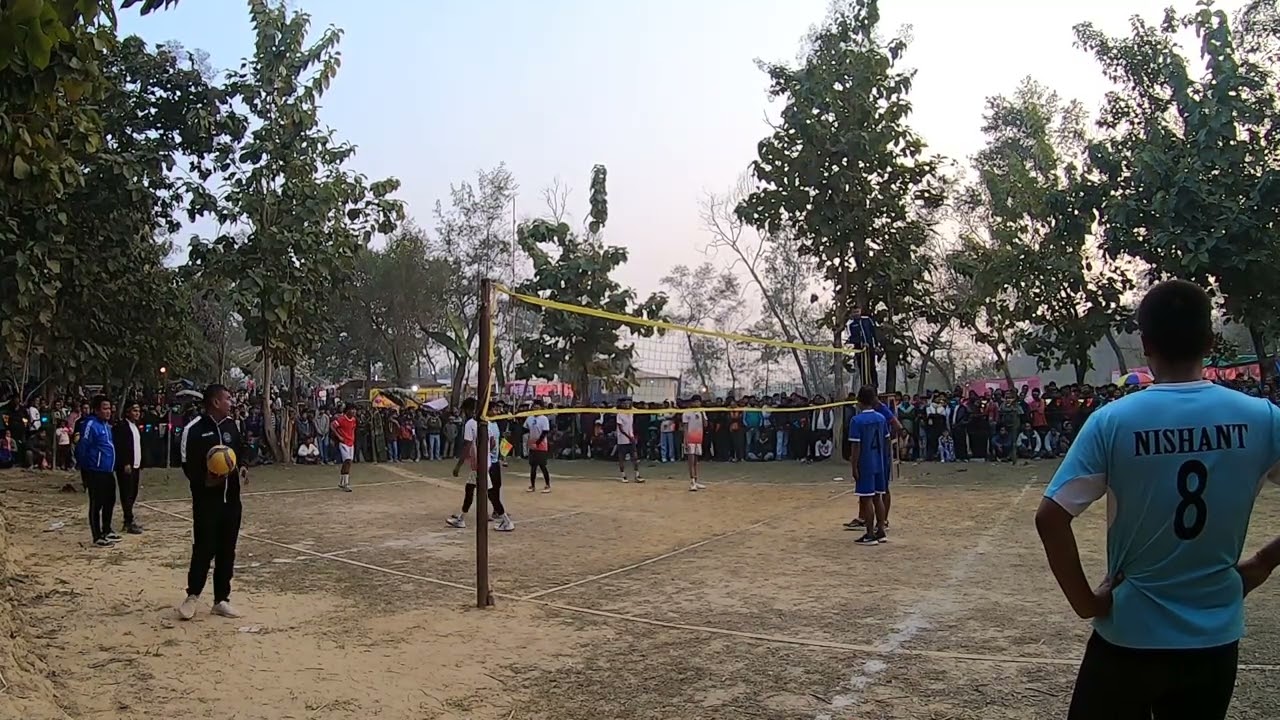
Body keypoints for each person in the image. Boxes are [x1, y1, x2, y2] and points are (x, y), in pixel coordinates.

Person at [1036, 279, 1280, 720]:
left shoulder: (1113, 421)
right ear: (1209, 341)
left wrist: (1087, 604)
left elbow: (1051, 518)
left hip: (1129, 635)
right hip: (1213, 640)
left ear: (1145, 344)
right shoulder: (1262, 418)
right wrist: (1263, 561)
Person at [177, 384, 247, 620]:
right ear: (215, 402)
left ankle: (221, 600)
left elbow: (240, 452)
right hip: (207, 502)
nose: (232, 402)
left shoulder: (231, 426)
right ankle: (192, 596)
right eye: (228, 398)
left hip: (232, 501)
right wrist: (204, 480)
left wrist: (244, 467)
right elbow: (187, 464)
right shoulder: (194, 430)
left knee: (227, 551)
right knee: (204, 549)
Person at [447, 398, 514, 531]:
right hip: (483, 463)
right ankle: (461, 518)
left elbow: (467, 445)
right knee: (470, 489)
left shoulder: (470, 423)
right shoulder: (485, 422)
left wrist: (458, 466)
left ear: (468, 410)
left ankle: (506, 521)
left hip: (479, 465)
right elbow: (493, 443)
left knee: (490, 494)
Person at [847, 386, 889, 546]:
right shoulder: (881, 418)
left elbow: (856, 446)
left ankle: (870, 534)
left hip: (866, 462)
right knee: (878, 496)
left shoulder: (856, 421)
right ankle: (881, 530)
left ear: (858, 401)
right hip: (879, 461)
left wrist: (854, 466)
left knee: (866, 498)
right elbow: (886, 440)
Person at [76, 396, 118, 547]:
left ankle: (107, 530)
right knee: (96, 503)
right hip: (95, 470)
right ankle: (97, 535)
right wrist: (85, 469)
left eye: (109, 408)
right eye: (104, 408)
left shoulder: (106, 426)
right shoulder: (90, 425)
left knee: (110, 500)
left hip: (108, 470)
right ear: (96, 410)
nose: (108, 412)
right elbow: (83, 446)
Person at [112, 402, 144, 534]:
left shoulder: (135, 426)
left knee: (133, 492)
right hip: (126, 465)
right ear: (127, 412)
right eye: (134, 410)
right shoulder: (122, 427)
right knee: (127, 493)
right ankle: (128, 521)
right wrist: (125, 462)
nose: (137, 413)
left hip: (136, 464)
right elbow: (120, 446)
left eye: (138, 410)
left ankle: (129, 519)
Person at [524, 401, 552, 493]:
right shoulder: (529, 418)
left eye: (537, 407)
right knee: (533, 466)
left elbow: (545, 432)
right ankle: (532, 485)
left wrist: (538, 443)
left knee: (543, 466)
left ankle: (547, 485)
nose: (536, 409)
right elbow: (526, 429)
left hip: (542, 445)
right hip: (532, 444)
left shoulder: (544, 418)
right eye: (534, 407)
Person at [681, 396, 707, 492]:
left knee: (696, 461)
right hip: (690, 438)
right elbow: (685, 428)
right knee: (691, 461)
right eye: (696, 402)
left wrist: (702, 414)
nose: (697, 404)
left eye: (699, 402)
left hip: (698, 439)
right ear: (692, 403)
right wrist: (686, 440)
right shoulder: (687, 413)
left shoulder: (702, 412)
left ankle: (696, 481)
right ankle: (692, 482)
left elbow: (705, 425)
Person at [615, 397, 642, 483]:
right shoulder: (619, 414)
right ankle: (623, 475)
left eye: (628, 403)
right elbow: (621, 428)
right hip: (622, 440)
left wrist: (633, 436)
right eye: (625, 403)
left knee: (635, 457)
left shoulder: (631, 413)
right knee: (621, 458)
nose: (627, 404)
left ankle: (637, 475)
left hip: (631, 438)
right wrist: (629, 437)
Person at [332, 404, 356, 492]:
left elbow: (352, 429)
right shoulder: (341, 419)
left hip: (351, 443)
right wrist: (339, 436)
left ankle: (342, 481)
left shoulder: (353, 420)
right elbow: (332, 426)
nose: (354, 412)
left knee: (347, 463)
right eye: (352, 409)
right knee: (348, 461)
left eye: (354, 410)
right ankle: (346, 483)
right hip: (343, 443)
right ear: (348, 410)